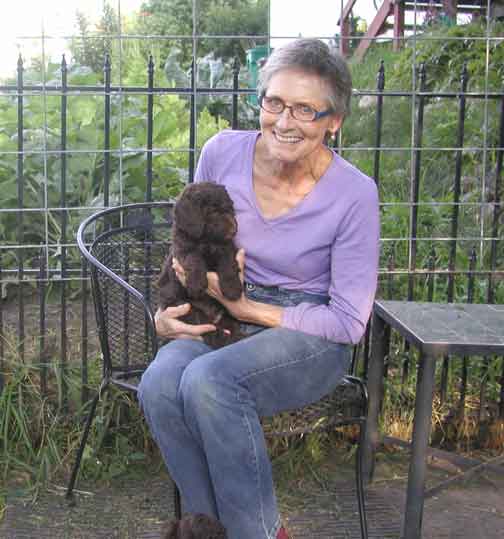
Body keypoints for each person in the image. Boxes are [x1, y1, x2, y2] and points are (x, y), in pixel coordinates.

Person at [138, 38, 380, 539]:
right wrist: (165, 312)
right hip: (221, 313)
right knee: (160, 383)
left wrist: (248, 306)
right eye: (275, 102)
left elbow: (348, 322)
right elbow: (186, 242)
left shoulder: (355, 194)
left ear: (334, 121)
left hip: (309, 331)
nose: (284, 121)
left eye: (305, 109)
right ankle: (209, 530)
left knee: (210, 381)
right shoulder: (221, 152)